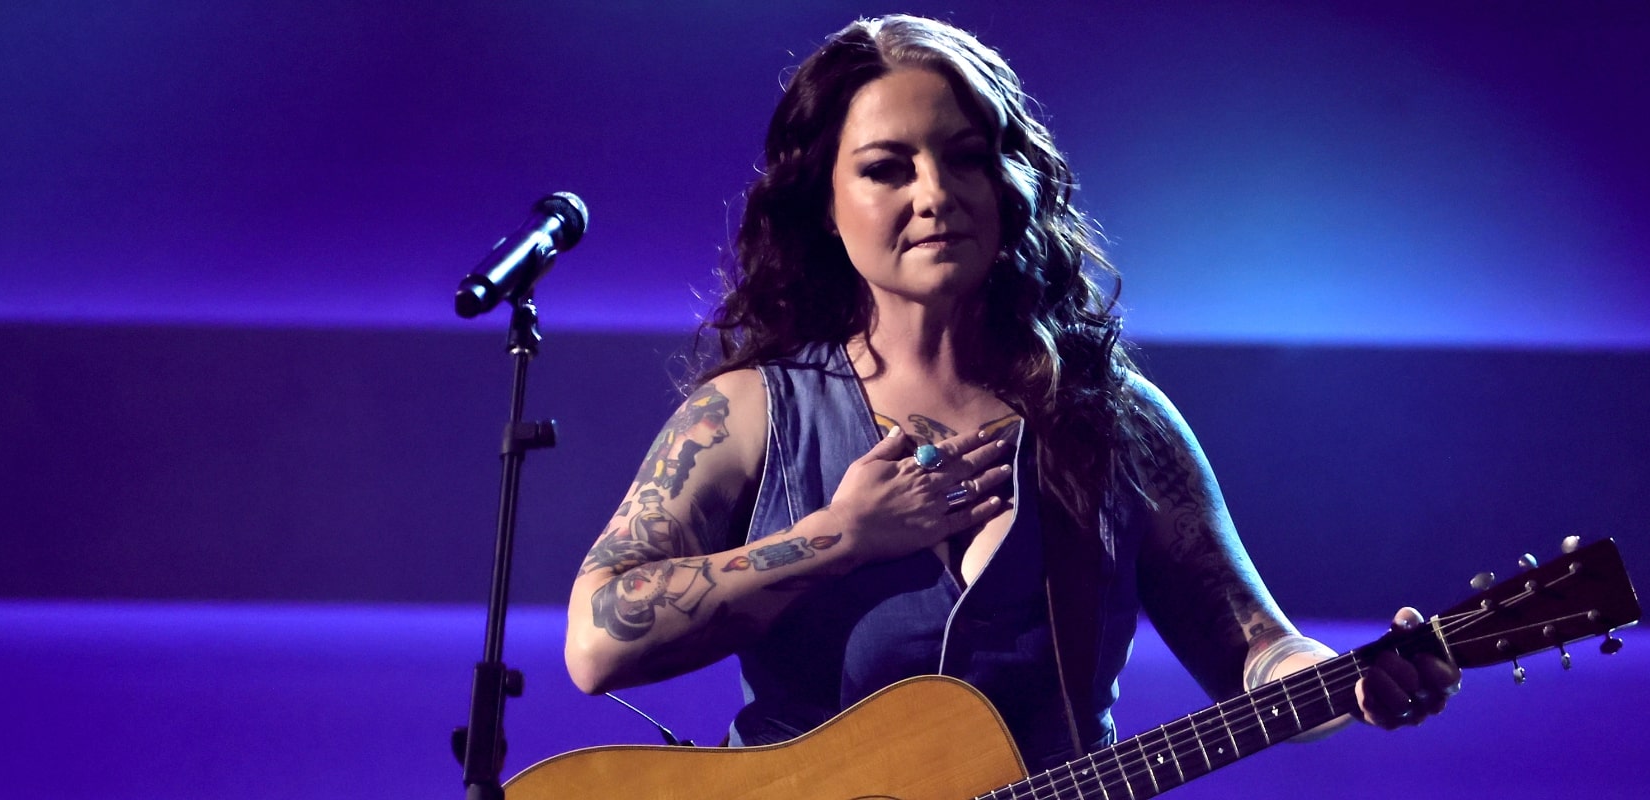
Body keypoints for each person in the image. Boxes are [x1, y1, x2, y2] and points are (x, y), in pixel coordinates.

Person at [563, 14, 1459, 773]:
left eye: (966, 157)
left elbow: (1256, 651)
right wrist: (839, 537)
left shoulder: (1119, 422)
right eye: (886, 168)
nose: (936, 193)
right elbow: (597, 643)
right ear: (822, 206)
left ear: (1012, 184)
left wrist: (1349, 682)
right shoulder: (750, 414)